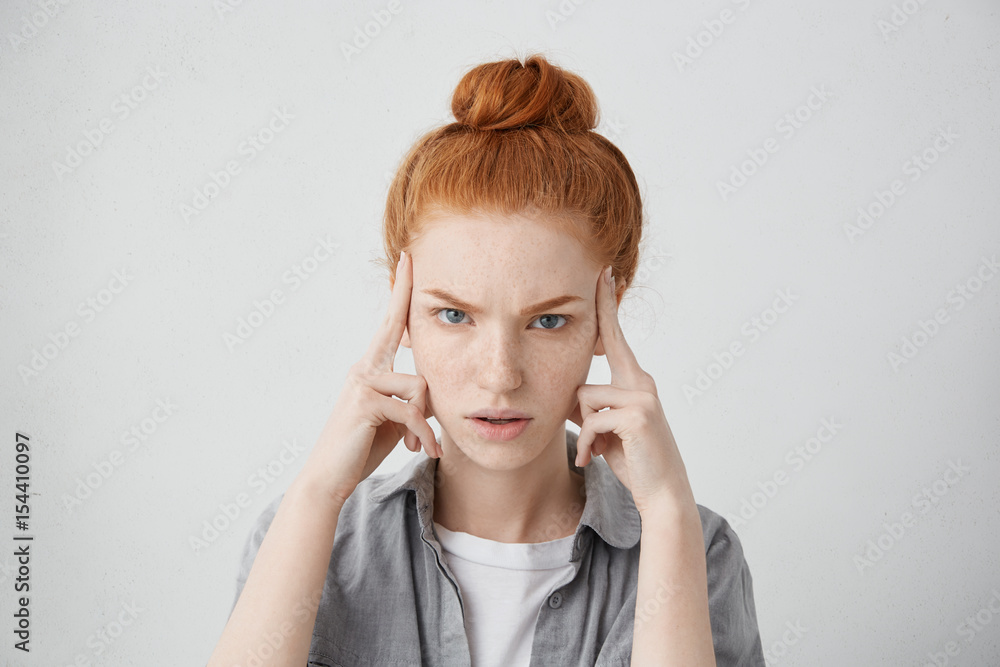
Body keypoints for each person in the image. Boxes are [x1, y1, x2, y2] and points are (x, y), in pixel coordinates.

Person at [208, 52, 765, 667]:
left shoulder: (696, 548)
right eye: (454, 315)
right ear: (405, 308)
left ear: (610, 311)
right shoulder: (309, 539)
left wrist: (665, 514)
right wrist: (317, 493)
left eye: (548, 320)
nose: (500, 375)